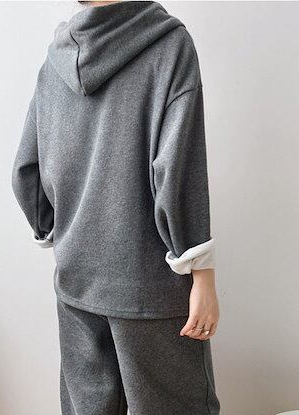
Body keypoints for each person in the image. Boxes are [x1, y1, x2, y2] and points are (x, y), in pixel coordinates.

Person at [12, 1, 221, 413]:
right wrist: (203, 275)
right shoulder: (169, 45)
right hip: (150, 288)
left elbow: (27, 170)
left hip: (76, 282)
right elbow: (177, 171)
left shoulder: (56, 60)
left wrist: (61, 233)